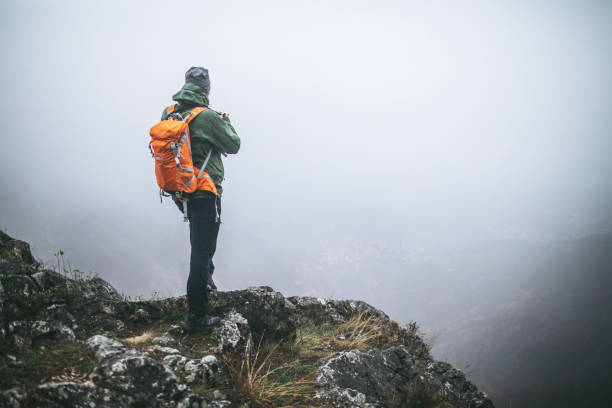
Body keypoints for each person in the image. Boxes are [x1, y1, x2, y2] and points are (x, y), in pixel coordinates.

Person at [160, 67, 240, 330]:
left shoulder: (170, 113)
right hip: (205, 190)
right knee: (202, 251)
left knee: (201, 244)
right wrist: (225, 122)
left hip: (179, 189)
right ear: (207, 89)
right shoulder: (208, 117)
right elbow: (234, 145)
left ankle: (206, 279)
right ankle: (196, 316)